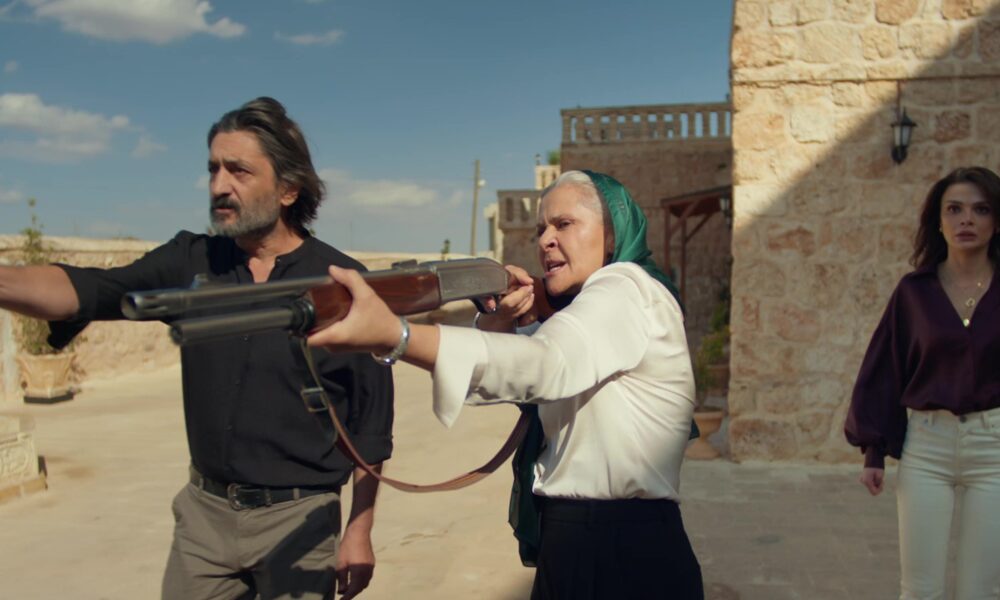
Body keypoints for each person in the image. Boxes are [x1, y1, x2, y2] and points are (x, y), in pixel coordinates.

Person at [0, 97, 393, 600]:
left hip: (301, 520)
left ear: (288, 189)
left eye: (238, 171)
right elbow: (89, 289)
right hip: (203, 519)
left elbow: (371, 424)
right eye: (213, 169)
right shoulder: (192, 260)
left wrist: (359, 530)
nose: (218, 186)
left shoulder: (342, 283)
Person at [308, 170, 704, 599]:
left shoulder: (626, 287)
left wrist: (398, 335)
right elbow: (507, 368)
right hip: (583, 541)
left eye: (564, 224)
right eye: (541, 229)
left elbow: (542, 364)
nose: (546, 240)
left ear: (611, 235)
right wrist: (498, 318)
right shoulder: (586, 313)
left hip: (620, 550)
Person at [845, 166, 1000, 600]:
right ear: (939, 221)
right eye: (954, 209)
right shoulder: (914, 292)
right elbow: (884, 369)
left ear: (996, 221)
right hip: (928, 448)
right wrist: (873, 451)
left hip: (995, 449)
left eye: (980, 209)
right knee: (920, 590)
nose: (966, 219)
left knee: (980, 592)